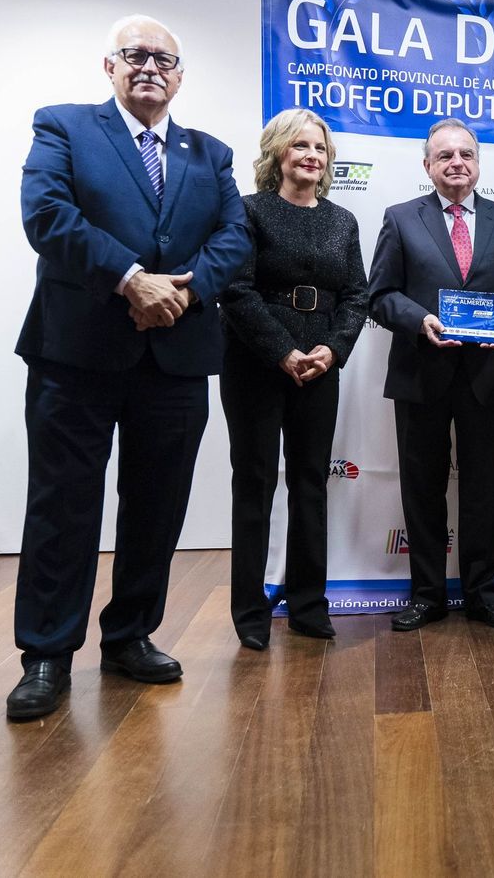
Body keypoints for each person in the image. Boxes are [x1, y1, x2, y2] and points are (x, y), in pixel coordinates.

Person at [7, 15, 249, 720]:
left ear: (180, 75)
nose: (150, 67)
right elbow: (45, 214)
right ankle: (47, 653)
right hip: (76, 353)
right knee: (63, 506)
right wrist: (130, 278)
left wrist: (184, 289)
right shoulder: (64, 127)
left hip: (176, 355)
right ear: (108, 66)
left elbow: (234, 237)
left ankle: (130, 636)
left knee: (157, 507)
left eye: (164, 59)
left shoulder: (212, 154)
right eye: (135, 55)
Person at [369, 118, 494, 630]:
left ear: (478, 163)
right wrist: (421, 321)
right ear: (428, 166)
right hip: (422, 373)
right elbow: (379, 295)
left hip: (486, 377)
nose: (456, 162)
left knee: (484, 487)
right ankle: (427, 594)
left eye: (465, 154)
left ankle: (483, 591)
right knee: (422, 487)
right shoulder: (400, 219)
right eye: (445, 156)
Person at [219, 109, 368, 649]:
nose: (312, 155)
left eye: (321, 149)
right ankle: (250, 612)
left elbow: (357, 295)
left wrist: (332, 349)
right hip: (255, 364)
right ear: (278, 152)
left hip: (320, 365)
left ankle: (308, 604)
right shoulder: (247, 211)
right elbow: (234, 288)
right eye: (301, 145)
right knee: (254, 484)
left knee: (310, 483)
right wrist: (282, 351)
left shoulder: (343, 221)